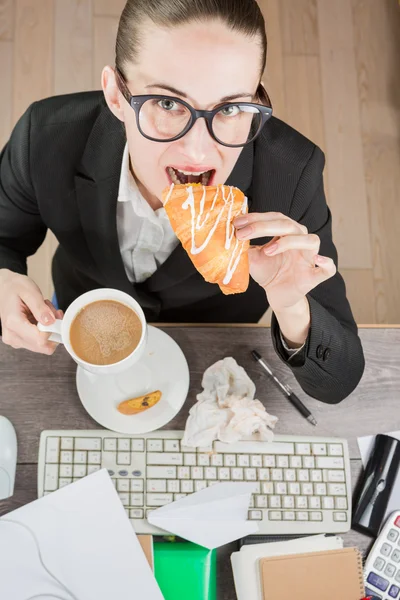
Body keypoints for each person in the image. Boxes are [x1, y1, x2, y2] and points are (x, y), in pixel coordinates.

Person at [0, 0, 364, 404]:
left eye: (229, 108)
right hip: (78, 323)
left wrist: (292, 305)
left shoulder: (292, 173)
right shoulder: (46, 136)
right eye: (168, 104)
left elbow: (340, 380)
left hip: (213, 352)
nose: (197, 150)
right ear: (117, 95)